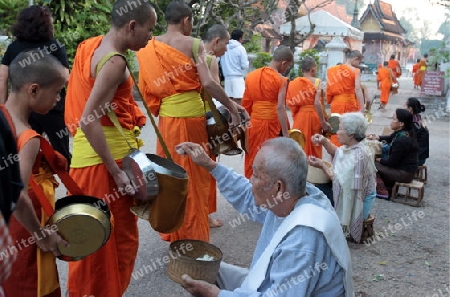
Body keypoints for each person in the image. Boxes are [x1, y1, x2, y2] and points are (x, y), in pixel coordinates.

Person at [177, 138, 354, 297]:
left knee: (209, 285)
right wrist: (209, 164)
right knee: (206, 269)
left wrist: (216, 295)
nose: (250, 180)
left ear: (278, 187)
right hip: (274, 283)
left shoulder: (303, 239)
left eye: (255, 174)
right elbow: (247, 194)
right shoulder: (295, 195)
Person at [64, 1, 157, 296]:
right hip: (105, 163)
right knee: (116, 243)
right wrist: (116, 171)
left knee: (89, 238)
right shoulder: (115, 61)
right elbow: (90, 119)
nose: (149, 37)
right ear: (132, 25)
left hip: (85, 160)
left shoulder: (90, 46)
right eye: (148, 29)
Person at [136, 1, 240, 243]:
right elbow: (209, 84)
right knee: (193, 175)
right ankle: (193, 237)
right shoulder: (193, 44)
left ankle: (174, 229)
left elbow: (145, 88)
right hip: (192, 120)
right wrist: (232, 107)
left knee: (170, 172)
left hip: (167, 120)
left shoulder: (147, 48)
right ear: (186, 20)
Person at [1, 50, 69, 297]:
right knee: (31, 286)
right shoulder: (27, 138)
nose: (59, 99)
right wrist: (41, 236)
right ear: (33, 90)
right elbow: (16, 195)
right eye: (57, 92)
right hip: (24, 231)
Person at [0, 5, 71, 165]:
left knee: (22, 150)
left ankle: (31, 182)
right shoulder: (54, 45)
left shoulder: (14, 47)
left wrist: (3, 108)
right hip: (53, 108)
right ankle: (70, 184)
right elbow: (66, 77)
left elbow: (2, 78)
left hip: (24, 109)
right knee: (62, 153)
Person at [309, 113, 377, 243]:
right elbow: (338, 152)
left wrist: (322, 165)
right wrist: (323, 141)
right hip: (347, 192)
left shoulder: (359, 154)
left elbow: (342, 184)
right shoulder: (353, 146)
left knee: (316, 190)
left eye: (340, 129)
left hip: (357, 202)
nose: (337, 132)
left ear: (351, 134)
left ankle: (329, 226)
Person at [242, 46, 293, 178]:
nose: (286, 69)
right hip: (271, 125)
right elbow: (280, 107)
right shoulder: (281, 79)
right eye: (288, 66)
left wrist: (244, 126)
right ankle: (265, 193)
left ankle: (249, 188)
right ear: (284, 63)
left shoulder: (251, 76)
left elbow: (246, 105)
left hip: (253, 124)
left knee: (253, 156)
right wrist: (286, 134)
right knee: (269, 159)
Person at [367, 109, 418, 199]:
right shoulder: (403, 133)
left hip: (404, 174)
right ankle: (388, 186)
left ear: (401, 123)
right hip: (405, 170)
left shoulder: (401, 140)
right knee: (376, 163)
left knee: (371, 165)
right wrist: (377, 137)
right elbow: (390, 138)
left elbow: (391, 163)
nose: (391, 122)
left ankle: (383, 191)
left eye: (394, 119)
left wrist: (379, 159)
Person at [286, 56, 329, 157]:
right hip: (314, 116)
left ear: (302, 70)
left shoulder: (294, 83)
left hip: (300, 117)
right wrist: (323, 121)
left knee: (300, 143)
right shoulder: (318, 82)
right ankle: (314, 168)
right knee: (314, 143)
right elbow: (318, 103)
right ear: (313, 69)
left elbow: (291, 103)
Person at [326, 49, 365, 146]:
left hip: (336, 104)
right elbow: (357, 89)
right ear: (355, 59)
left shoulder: (332, 70)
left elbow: (329, 88)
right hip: (349, 104)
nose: (357, 65)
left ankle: (334, 154)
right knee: (349, 128)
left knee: (336, 128)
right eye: (358, 62)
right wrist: (362, 108)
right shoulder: (355, 71)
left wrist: (330, 100)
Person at [220, 29, 249, 105]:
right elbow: (244, 65)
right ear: (240, 38)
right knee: (239, 101)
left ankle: (230, 116)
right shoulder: (241, 48)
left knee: (229, 101)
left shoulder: (224, 47)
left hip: (227, 78)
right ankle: (238, 116)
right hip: (238, 77)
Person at [405, 97, 429, 166]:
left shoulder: (414, 123)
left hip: (417, 158)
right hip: (420, 156)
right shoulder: (417, 118)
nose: (403, 108)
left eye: (404, 106)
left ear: (410, 109)